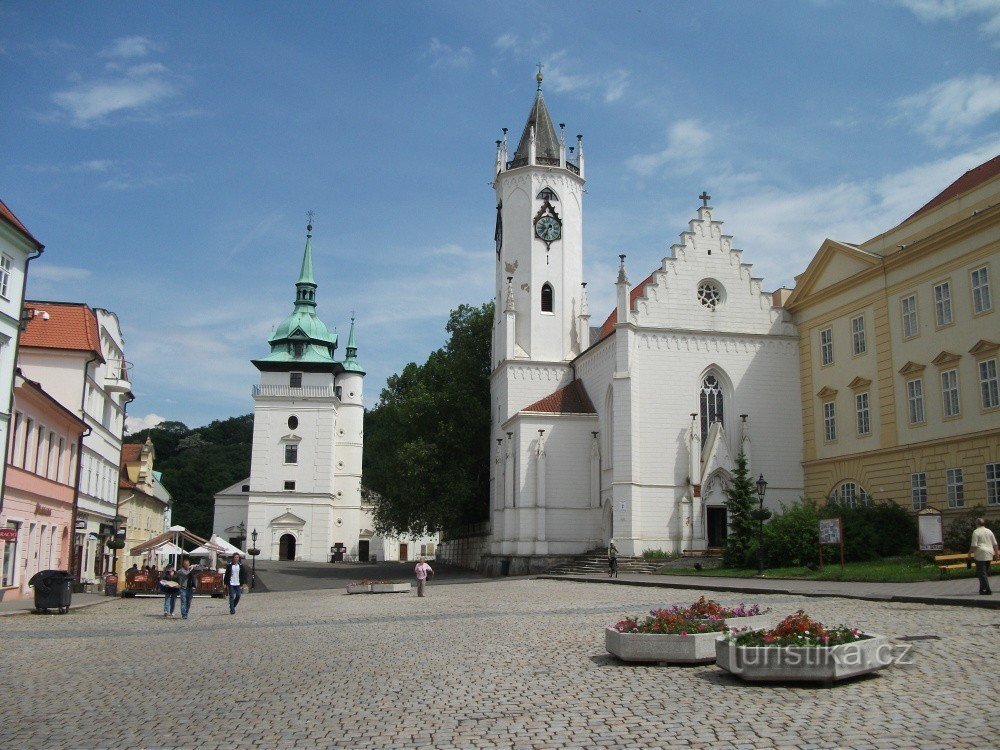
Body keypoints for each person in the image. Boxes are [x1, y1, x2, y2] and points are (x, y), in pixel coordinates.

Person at [969, 518, 998, 596]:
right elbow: (995, 544)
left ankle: (988, 589)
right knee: (984, 572)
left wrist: (969, 553)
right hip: (989, 553)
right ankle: (981, 589)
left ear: (977, 523)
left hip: (980, 554)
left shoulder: (976, 532)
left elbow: (974, 546)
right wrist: (997, 554)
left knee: (982, 573)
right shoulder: (989, 531)